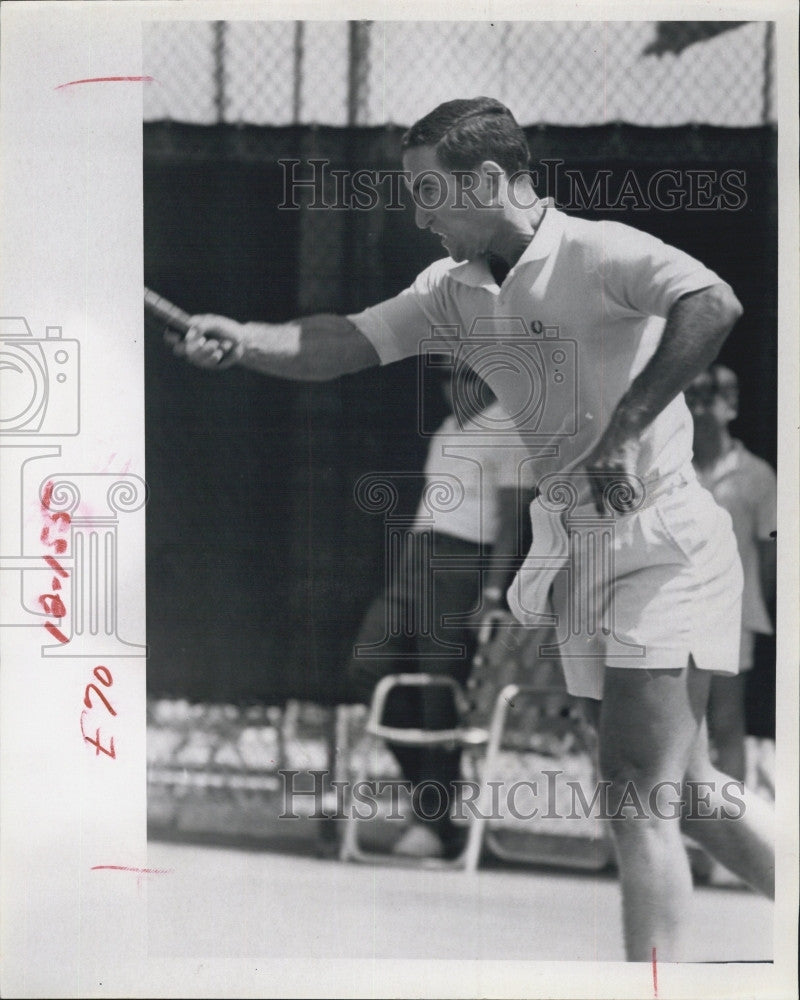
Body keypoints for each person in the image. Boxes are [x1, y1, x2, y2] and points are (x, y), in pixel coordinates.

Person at [166, 97, 774, 962]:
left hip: (665, 538)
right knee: (689, 790)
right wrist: (248, 338)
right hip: (584, 552)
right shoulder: (450, 293)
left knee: (636, 796)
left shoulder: (598, 250)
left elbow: (712, 301)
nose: (419, 216)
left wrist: (629, 425)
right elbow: (342, 340)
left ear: (490, 180)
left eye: (430, 194)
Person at [347, 371, 536, 860]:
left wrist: (493, 594)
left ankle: (432, 823)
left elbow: (514, 521)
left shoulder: (512, 428)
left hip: (466, 567)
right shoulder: (448, 427)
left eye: (466, 374)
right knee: (369, 669)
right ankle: (434, 803)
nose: (454, 386)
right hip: (417, 556)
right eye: (446, 376)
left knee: (439, 694)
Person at [687, 365, 777, 781]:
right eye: (691, 399)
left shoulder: (759, 476)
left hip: (731, 619)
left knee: (725, 724)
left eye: (709, 399)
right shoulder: (672, 472)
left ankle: (732, 833)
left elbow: (772, 556)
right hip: (671, 618)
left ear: (731, 405)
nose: (699, 409)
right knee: (677, 730)